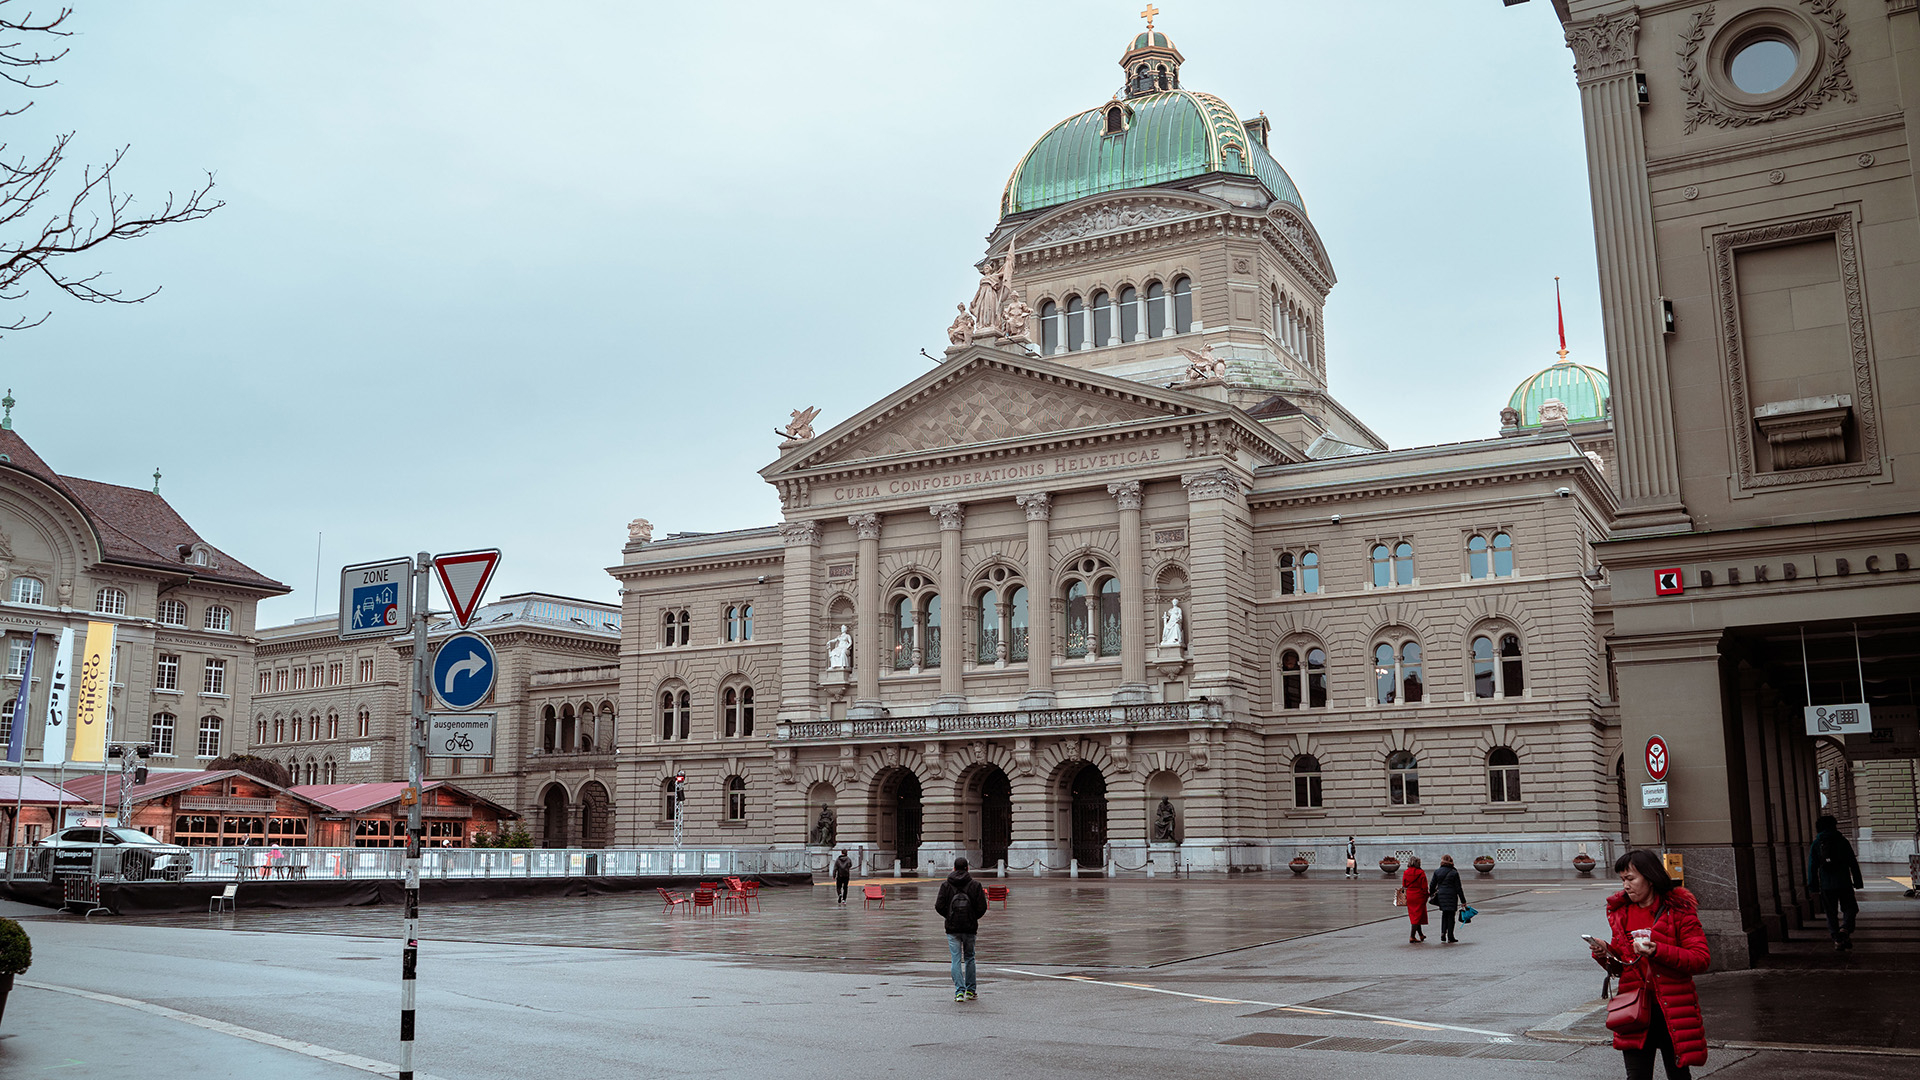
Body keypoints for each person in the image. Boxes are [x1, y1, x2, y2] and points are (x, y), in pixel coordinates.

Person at [1589, 850, 1710, 1080]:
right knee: (1636, 1077)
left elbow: (1700, 959)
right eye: (1622, 879)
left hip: (1673, 1009)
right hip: (1634, 1009)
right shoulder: (1621, 913)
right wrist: (1605, 952)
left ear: (1650, 877)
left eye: (1631, 878)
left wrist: (1658, 950)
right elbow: (1623, 965)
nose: (1626, 885)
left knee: (1679, 1075)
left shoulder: (1679, 911)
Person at [935, 856, 989, 1002]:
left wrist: (949, 916)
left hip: (952, 928)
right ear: (967, 868)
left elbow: (939, 906)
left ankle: (959, 991)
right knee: (970, 957)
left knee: (956, 959)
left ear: (953, 868)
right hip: (970, 927)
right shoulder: (975, 885)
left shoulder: (946, 885)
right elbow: (982, 907)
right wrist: (973, 917)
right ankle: (971, 990)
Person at [1807, 814, 1863, 952]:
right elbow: (1852, 862)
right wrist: (1857, 881)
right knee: (1850, 908)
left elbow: (1812, 866)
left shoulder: (1816, 843)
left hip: (1826, 884)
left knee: (1830, 912)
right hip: (1844, 882)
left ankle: (1837, 939)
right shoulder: (1842, 841)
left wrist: (1813, 885)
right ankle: (1845, 929)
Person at [1428, 854, 1465, 943]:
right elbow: (1458, 888)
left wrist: (1432, 894)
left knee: (1444, 914)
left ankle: (1443, 933)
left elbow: (1432, 885)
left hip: (1441, 895)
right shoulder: (1454, 872)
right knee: (1451, 916)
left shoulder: (1437, 872)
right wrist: (1463, 900)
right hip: (1452, 895)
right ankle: (1450, 936)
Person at [1402, 855, 1429, 943]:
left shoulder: (1406, 872)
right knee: (1417, 916)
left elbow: (1404, 885)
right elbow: (1424, 886)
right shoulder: (1421, 872)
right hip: (1419, 895)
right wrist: (1426, 895)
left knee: (1415, 915)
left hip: (1410, 895)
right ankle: (1412, 936)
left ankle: (1421, 934)